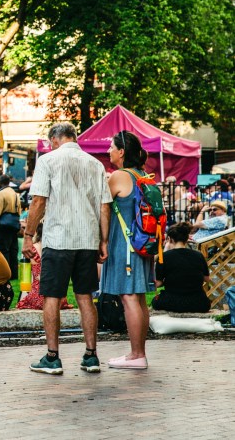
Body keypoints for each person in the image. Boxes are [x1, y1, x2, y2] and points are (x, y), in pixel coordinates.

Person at [23, 122, 110, 375]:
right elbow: (104, 206)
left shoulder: (48, 161)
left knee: (52, 296)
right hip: (87, 239)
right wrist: (103, 241)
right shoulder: (95, 164)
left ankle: (52, 357)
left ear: (55, 139)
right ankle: (91, 355)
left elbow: (39, 200)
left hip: (59, 239)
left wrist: (28, 235)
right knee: (85, 296)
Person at [100, 131, 155, 370]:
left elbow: (101, 205)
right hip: (141, 242)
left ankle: (136, 355)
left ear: (121, 152)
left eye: (112, 147)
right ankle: (138, 352)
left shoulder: (119, 176)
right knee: (139, 298)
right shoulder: (142, 174)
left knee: (128, 297)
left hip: (125, 243)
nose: (109, 151)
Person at [152, 221, 211, 313]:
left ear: (170, 239)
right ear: (187, 238)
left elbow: (158, 283)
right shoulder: (198, 255)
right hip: (200, 303)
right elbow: (206, 279)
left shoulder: (164, 257)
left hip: (171, 302)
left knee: (155, 301)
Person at [16, 224, 72, 311]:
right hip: (59, 298)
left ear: (37, 232)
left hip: (37, 297)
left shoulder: (31, 249)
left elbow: (27, 278)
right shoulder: (58, 249)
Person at [0, 175, 22, 279]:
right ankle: (14, 274)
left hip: (3, 224)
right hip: (14, 223)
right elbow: (19, 211)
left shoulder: (1, 193)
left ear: (0, 183)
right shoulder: (15, 194)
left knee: (2, 249)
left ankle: (4, 273)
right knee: (13, 249)